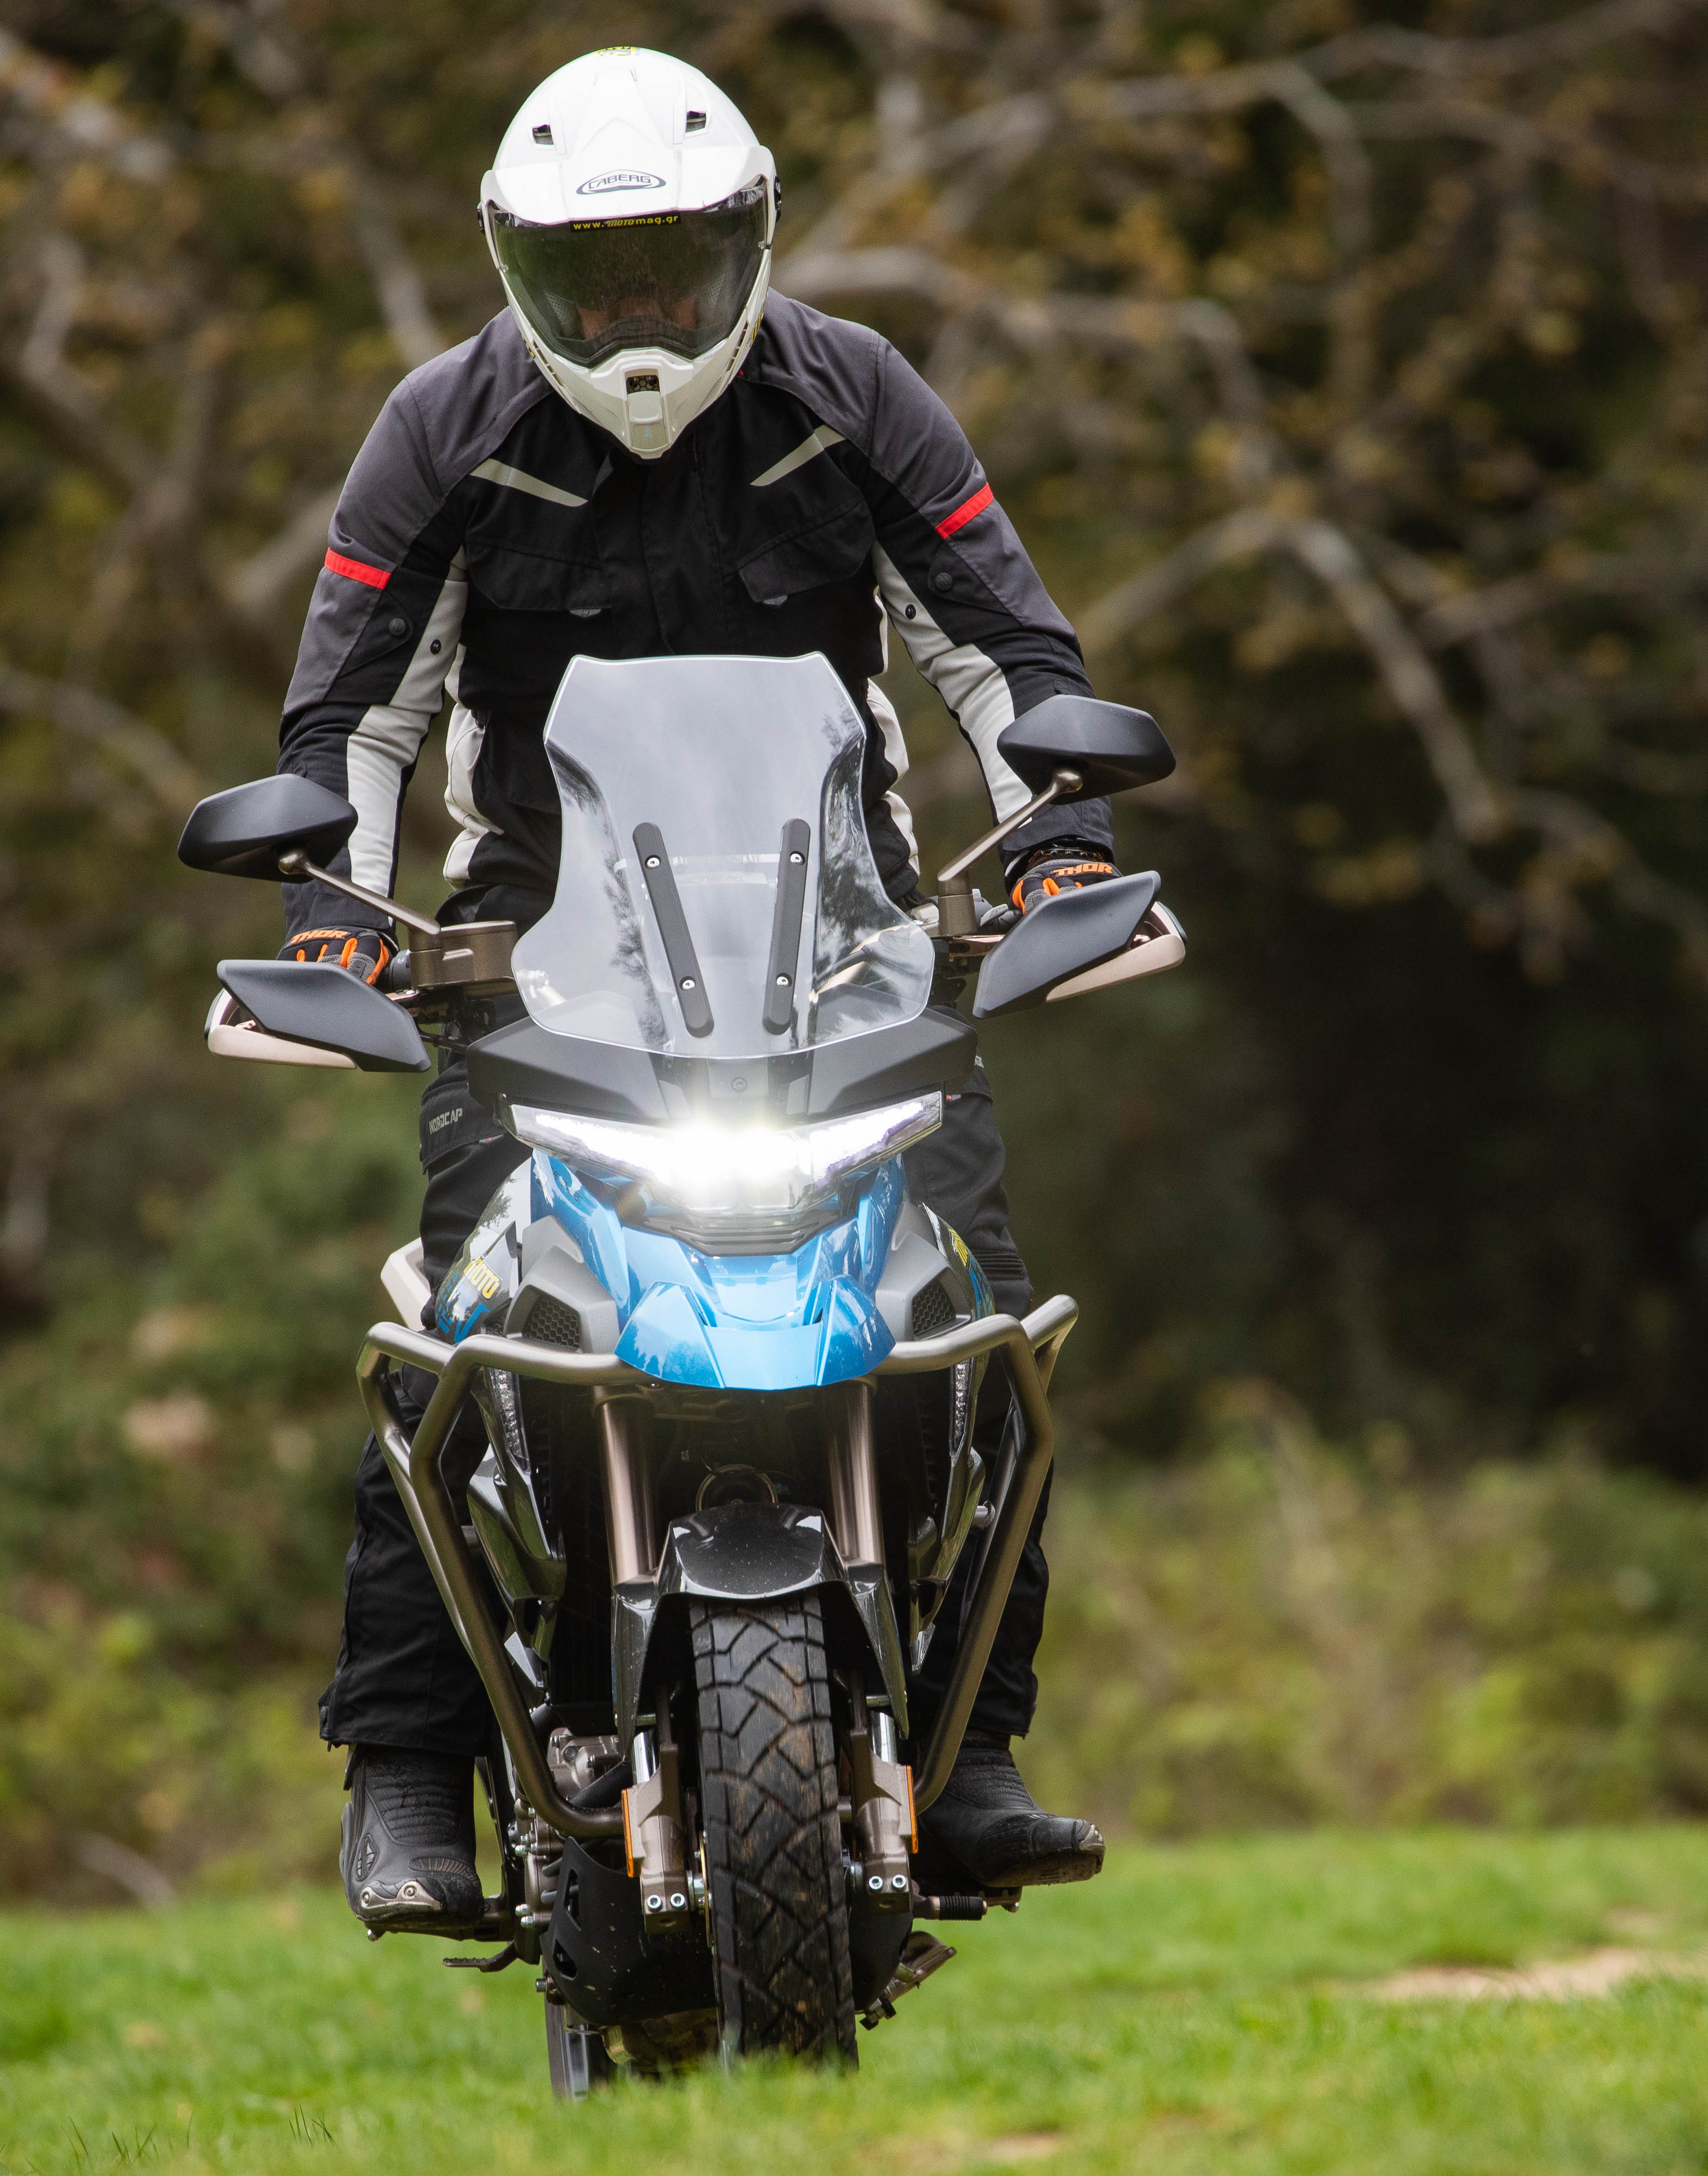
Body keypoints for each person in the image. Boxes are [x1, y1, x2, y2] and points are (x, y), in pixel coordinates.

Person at [276, 49, 1119, 1936]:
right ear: (519, 269)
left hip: (844, 948)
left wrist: (1058, 836)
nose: (640, 318)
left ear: (752, 241)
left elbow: (1004, 652)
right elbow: (353, 718)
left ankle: (973, 1749)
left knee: (973, 1316)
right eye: (598, 280)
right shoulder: (440, 428)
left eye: (673, 267)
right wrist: (334, 908)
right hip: (533, 956)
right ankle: (404, 1765)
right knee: (461, 1334)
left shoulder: (854, 394)